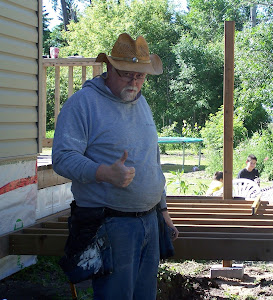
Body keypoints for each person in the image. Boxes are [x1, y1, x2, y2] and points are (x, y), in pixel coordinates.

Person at [52, 33, 179, 300]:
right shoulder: (82, 104)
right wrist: (104, 172)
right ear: (109, 68)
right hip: (111, 223)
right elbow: (62, 157)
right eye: (126, 74)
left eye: (140, 76)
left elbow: (151, 160)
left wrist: (163, 209)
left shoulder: (141, 101)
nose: (134, 82)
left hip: (149, 220)